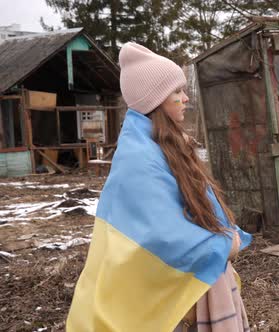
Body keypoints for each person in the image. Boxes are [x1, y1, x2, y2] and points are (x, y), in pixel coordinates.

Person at [67, 43, 252, 332]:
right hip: (160, 302)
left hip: (182, 293)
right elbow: (160, 235)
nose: (186, 98)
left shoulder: (162, 146)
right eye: (177, 92)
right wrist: (222, 245)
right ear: (155, 100)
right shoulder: (139, 158)